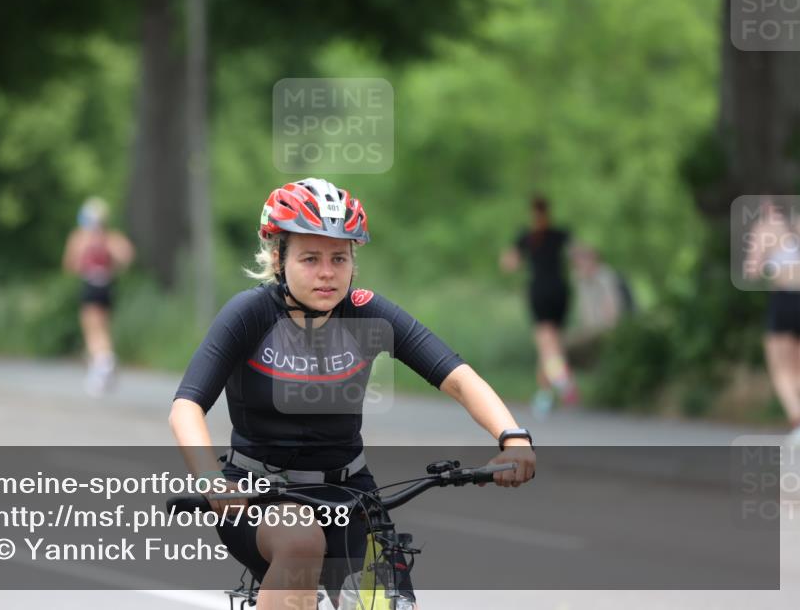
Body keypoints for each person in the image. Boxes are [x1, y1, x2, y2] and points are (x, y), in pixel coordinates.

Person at [169, 178, 536, 610]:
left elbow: (457, 377)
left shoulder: (367, 312)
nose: (327, 272)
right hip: (256, 495)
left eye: (339, 258)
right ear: (278, 257)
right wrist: (211, 478)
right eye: (310, 258)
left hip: (350, 496)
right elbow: (186, 407)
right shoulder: (249, 314)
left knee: (386, 604)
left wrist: (513, 437)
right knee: (301, 538)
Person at [500, 195, 579, 417]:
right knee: (553, 345)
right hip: (561, 291)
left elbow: (509, 264)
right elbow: (578, 256)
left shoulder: (527, 236)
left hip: (540, 292)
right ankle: (544, 395)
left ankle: (564, 383)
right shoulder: (560, 234)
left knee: (546, 346)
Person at [62, 197, 135, 396]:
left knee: (91, 327)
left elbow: (70, 264)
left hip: (90, 285)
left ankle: (104, 362)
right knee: (103, 326)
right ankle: (102, 364)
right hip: (108, 285)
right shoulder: (111, 238)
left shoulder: (81, 237)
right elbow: (127, 257)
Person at [744, 197, 800, 446]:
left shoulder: (766, 228)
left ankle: (796, 419)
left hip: (785, 298)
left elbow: (752, 269)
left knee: (779, 366)